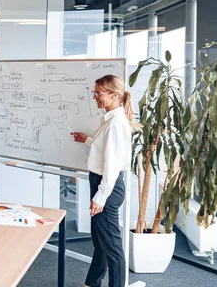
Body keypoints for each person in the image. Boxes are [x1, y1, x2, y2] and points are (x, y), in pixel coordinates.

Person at [70, 75, 137, 287]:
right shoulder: (109, 120)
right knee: (101, 240)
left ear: (113, 95)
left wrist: (100, 197)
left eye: (98, 93)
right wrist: (87, 140)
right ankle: (92, 283)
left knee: (112, 246)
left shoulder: (116, 123)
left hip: (107, 186)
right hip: (102, 183)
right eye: (94, 93)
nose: (95, 97)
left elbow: (112, 166)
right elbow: (105, 151)